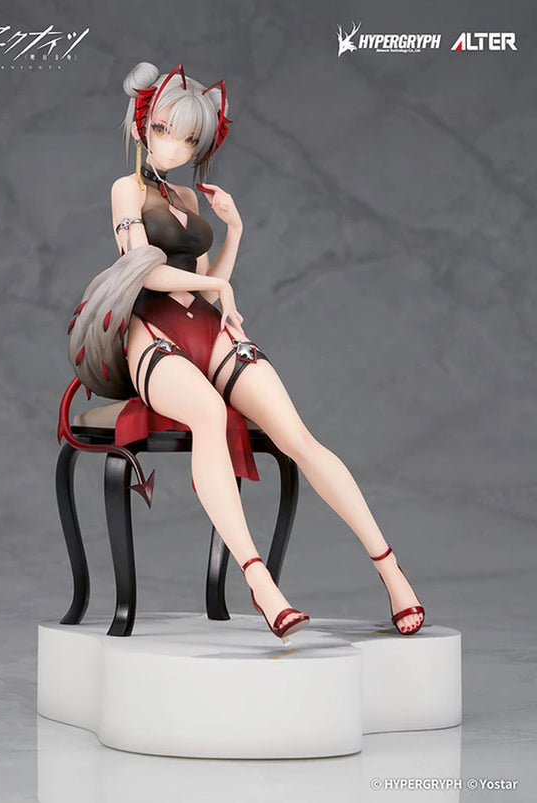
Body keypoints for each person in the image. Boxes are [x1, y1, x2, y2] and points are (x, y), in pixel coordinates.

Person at [63, 61, 425, 644]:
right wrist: (216, 288)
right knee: (208, 415)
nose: (174, 148)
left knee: (297, 436)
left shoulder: (187, 196)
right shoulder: (125, 190)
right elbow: (143, 274)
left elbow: (208, 282)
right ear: (140, 124)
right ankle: (260, 582)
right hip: (149, 332)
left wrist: (234, 232)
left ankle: (392, 571)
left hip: (206, 327)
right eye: (164, 130)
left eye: (189, 140)